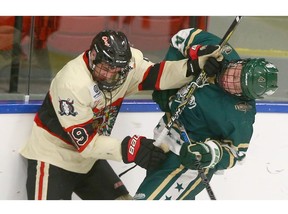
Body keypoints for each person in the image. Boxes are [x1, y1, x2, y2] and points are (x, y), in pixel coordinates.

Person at [19, 29, 222, 200]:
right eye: (105, 68)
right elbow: (87, 144)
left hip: (89, 161)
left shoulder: (129, 63)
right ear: (92, 56)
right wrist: (130, 149)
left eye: (117, 70)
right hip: (53, 157)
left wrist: (195, 66)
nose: (110, 75)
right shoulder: (72, 83)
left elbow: (159, 76)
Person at [134, 28, 279, 200]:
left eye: (237, 84)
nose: (229, 78)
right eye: (237, 72)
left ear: (244, 95)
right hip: (162, 143)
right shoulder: (223, 53)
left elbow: (236, 154)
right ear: (243, 62)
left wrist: (209, 153)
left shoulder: (241, 113)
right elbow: (179, 39)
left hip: (187, 164)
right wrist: (174, 74)